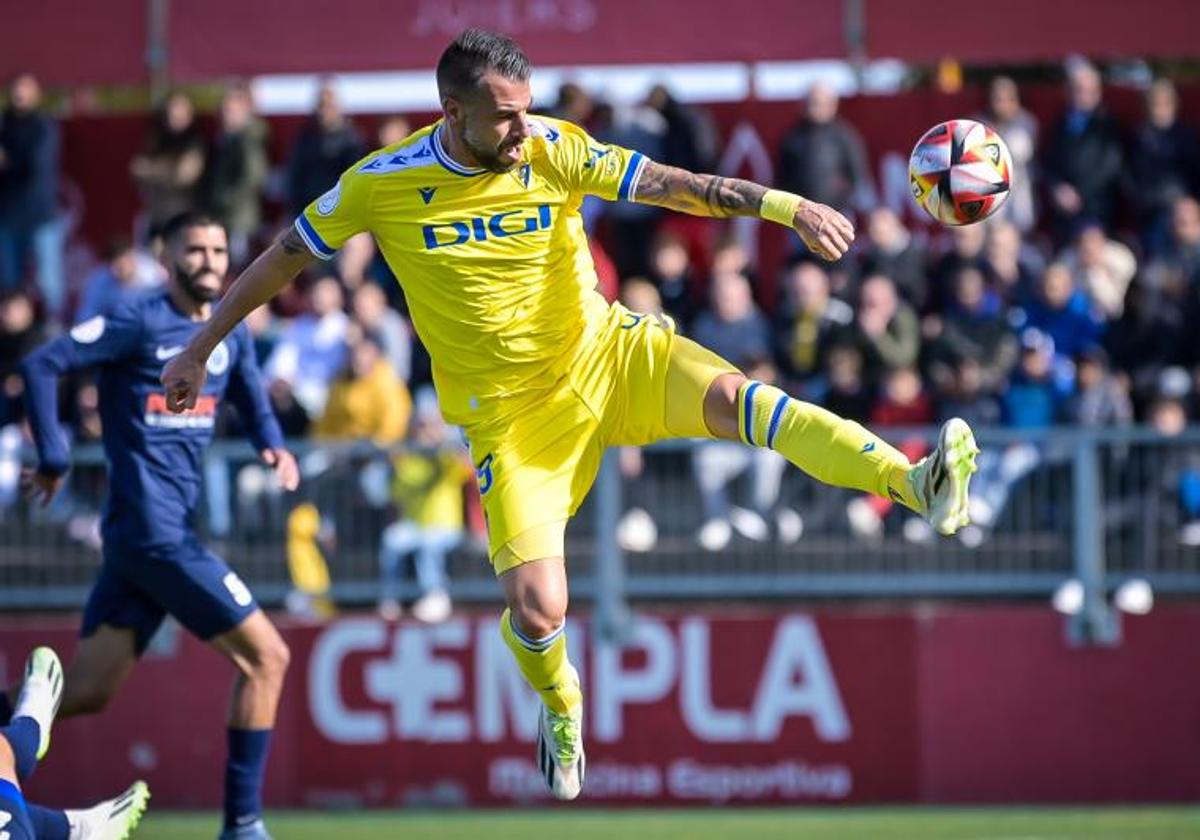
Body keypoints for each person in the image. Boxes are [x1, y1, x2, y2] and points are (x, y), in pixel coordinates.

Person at [161, 29, 979, 803]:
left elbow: (674, 184)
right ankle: (560, 707)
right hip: (514, 423)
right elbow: (285, 257)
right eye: (505, 115)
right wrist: (201, 347)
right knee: (538, 608)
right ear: (454, 114)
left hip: (610, 356)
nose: (524, 127)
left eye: (529, 106)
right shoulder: (381, 182)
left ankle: (913, 484)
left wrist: (782, 206)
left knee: (749, 403)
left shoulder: (553, 147)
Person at [19, 212, 298, 840]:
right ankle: (244, 827)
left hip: (140, 545)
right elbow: (42, 364)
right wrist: (57, 455)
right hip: (155, 537)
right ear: (165, 254)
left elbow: (251, 395)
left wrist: (273, 446)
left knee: (83, 691)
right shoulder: (137, 321)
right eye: (193, 248)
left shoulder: (232, 330)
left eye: (219, 248)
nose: (208, 260)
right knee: (268, 659)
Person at [0, 73, 65, 320]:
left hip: (41, 215)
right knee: (9, 281)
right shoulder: (3, 124)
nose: (19, 95)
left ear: (36, 93)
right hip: (7, 215)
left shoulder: (43, 126)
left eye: (25, 89)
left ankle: (54, 326)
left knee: (49, 280)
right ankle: (11, 331)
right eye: (16, 89)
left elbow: (37, 165)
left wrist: (9, 161)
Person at [777, 80, 874, 218]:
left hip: (837, 213)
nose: (814, 108)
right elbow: (782, 178)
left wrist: (844, 204)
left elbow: (857, 174)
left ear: (833, 105)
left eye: (819, 103)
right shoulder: (793, 137)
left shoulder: (843, 136)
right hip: (800, 216)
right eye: (811, 102)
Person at [202, 85, 269, 268]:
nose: (226, 116)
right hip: (223, 216)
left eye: (231, 111)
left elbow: (253, 177)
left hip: (241, 219)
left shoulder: (247, 140)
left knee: (238, 269)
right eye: (224, 111)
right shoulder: (222, 140)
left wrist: (223, 199)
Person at [130, 91, 206, 236]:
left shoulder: (193, 141)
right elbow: (137, 169)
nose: (174, 115)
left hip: (181, 219)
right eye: (171, 110)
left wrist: (152, 168)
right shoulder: (157, 138)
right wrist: (170, 167)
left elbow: (184, 175)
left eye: (180, 111)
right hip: (155, 216)